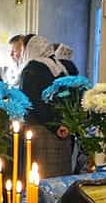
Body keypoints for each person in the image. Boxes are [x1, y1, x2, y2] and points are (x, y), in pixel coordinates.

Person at [18, 35, 76, 178]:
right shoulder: (61, 67)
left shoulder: (32, 69)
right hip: (63, 132)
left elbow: (31, 102)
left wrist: (54, 125)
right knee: (59, 180)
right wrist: (62, 124)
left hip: (40, 133)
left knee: (39, 180)